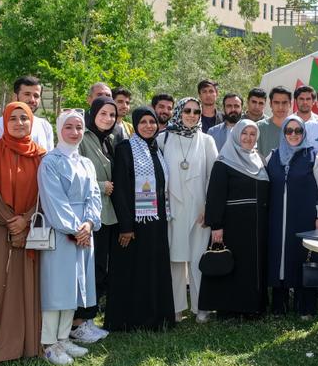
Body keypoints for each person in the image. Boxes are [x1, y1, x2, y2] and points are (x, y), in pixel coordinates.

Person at [0, 103, 45, 364]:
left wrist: (25, 220)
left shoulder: (42, 156)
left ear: (31, 121)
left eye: (24, 118)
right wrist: (10, 221)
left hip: (31, 230)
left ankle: (28, 342)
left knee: (29, 286)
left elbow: (44, 193)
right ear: (4, 122)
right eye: (12, 118)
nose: (18, 123)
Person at [37, 110, 102, 365]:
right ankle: (49, 343)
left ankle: (64, 338)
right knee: (57, 288)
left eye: (78, 127)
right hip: (62, 231)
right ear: (59, 130)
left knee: (75, 288)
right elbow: (54, 200)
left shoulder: (85, 162)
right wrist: (75, 229)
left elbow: (93, 196)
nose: (74, 132)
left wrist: (89, 223)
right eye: (69, 127)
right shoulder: (50, 162)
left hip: (84, 232)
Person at [106, 107, 174, 332]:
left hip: (156, 222)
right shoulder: (126, 149)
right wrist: (126, 226)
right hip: (134, 225)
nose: (148, 126)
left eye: (152, 122)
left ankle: (156, 317)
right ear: (135, 125)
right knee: (134, 271)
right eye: (143, 122)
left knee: (154, 269)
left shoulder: (157, 149)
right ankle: (132, 320)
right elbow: (121, 190)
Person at [202, 120, 271, 317]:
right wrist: (216, 225)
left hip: (258, 226)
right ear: (236, 135)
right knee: (234, 265)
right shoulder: (224, 162)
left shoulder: (260, 159)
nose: (248, 138)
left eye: (252, 134)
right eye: (244, 133)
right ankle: (230, 309)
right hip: (233, 225)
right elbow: (215, 195)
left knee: (254, 267)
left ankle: (254, 307)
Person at [266, 116, 318, 317]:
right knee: (279, 259)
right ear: (283, 133)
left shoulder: (315, 157)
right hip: (277, 219)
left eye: (298, 131)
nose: (293, 135)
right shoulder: (273, 157)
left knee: (304, 258)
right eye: (289, 131)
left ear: (304, 133)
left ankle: (306, 306)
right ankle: (280, 306)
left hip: (305, 218)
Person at [164, 98, 218, 323]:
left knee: (198, 259)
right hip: (173, 209)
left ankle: (201, 306)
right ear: (179, 112)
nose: (192, 115)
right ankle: (176, 307)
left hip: (199, 209)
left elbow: (213, 177)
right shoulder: (163, 139)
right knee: (175, 260)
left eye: (196, 111)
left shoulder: (207, 140)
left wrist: (209, 208)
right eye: (187, 110)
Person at [73, 97, 117, 344]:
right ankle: (79, 323)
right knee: (88, 270)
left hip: (107, 215)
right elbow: (75, 173)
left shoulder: (108, 140)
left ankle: (88, 320)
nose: (108, 119)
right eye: (103, 114)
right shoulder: (83, 138)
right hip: (90, 215)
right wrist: (102, 186)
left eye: (112, 115)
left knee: (100, 269)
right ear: (93, 114)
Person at [0, 76, 55, 150]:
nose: (32, 100)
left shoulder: (45, 126)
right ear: (15, 96)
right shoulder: (0, 125)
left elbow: (49, 159)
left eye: (36, 96)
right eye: (27, 94)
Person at [256, 87, 291, 158]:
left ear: (290, 104)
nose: (280, 107)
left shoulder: (298, 128)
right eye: (276, 103)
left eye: (284, 103)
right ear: (270, 104)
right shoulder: (259, 127)